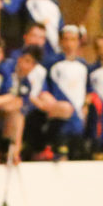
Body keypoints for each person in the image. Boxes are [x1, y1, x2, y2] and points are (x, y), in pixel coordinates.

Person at [34, 25, 90, 160]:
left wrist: (86, 105)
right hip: (59, 122)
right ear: (60, 41)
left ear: (78, 42)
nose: (69, 44)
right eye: (66, 39)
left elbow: (88, 90)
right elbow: (42, 89)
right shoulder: (50, 63)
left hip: (78, 121)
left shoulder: (84, 65)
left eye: (73, 40)